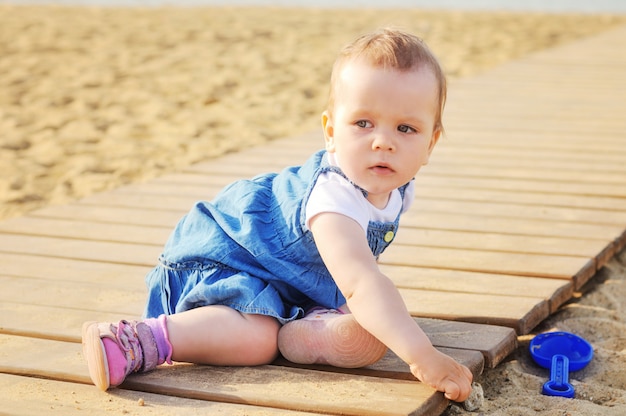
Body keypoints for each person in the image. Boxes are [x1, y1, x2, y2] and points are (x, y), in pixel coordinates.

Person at [82, 27, 474, 402]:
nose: (382, 142)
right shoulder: (332, 199)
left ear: (430, 143)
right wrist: (424, 357)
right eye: (363, 123)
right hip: (219, 262)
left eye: (406, 128)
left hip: (281, 277)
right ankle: (139, 341)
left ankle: (306, 323)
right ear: (331, 131)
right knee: (258, 340)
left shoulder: (396, 184)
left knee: (352, 311)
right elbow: (362, 283)